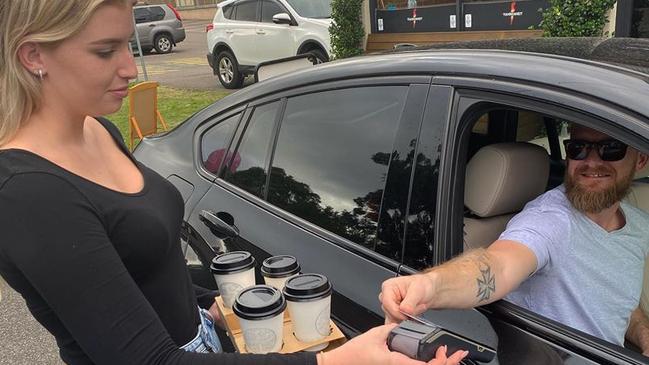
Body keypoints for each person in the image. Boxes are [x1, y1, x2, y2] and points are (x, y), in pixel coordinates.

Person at [0, 1, 467, 364]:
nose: (128, 66)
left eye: (127, 44)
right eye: (105, 51)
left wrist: (212, 302)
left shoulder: (97, 129)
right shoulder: (29, 193)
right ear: (33, 54)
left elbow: (141, 265)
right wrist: (334, 359)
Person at [380, 123, 649, 353]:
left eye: (611, 149)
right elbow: (498, 265)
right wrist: (430, 285)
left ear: (641, 160)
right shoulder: (550, 220)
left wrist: (642, 332)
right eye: (578, 148)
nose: (591, 162)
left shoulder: (639, 224)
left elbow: (616, 299)